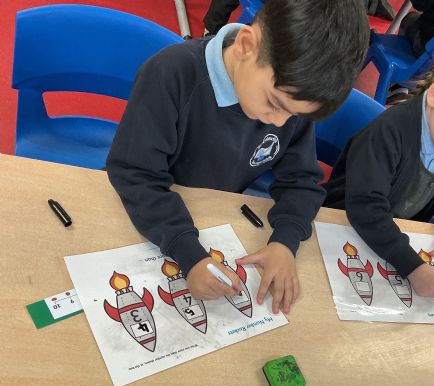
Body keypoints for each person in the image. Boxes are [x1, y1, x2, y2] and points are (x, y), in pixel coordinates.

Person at [107, 0, 369, 315]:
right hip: (149, 218)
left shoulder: (290, 95)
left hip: (215, 213)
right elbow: (135, 174)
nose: (280, 122)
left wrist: (285, 242)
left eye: (293, 114)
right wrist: (188, 253)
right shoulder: (171, 74)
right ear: (245, 45)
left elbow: (301, 180)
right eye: (274, 103)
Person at [323, 34, 434, 298]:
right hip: (338, 228)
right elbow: (365, 208)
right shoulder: (388, 133)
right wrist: (412, 266)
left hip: (391, 238)